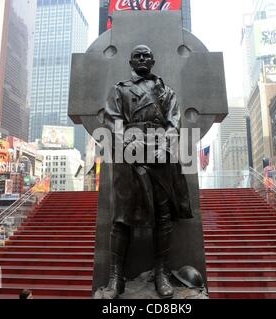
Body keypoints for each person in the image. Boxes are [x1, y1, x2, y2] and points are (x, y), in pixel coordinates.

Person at [99, 45, 192, 299]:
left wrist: (165, 145)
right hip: (129, 156)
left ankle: (161, 273)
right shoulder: (120, 90)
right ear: (131, 61)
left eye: (146, 55)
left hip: (160, 156)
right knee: (122, 218)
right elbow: (111, 120)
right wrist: (129, 142)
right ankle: (115, 278)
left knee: (163, 216)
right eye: (137, 55)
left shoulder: (167, 92)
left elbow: (174, 122)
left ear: (153, 60)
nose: (142, 58)